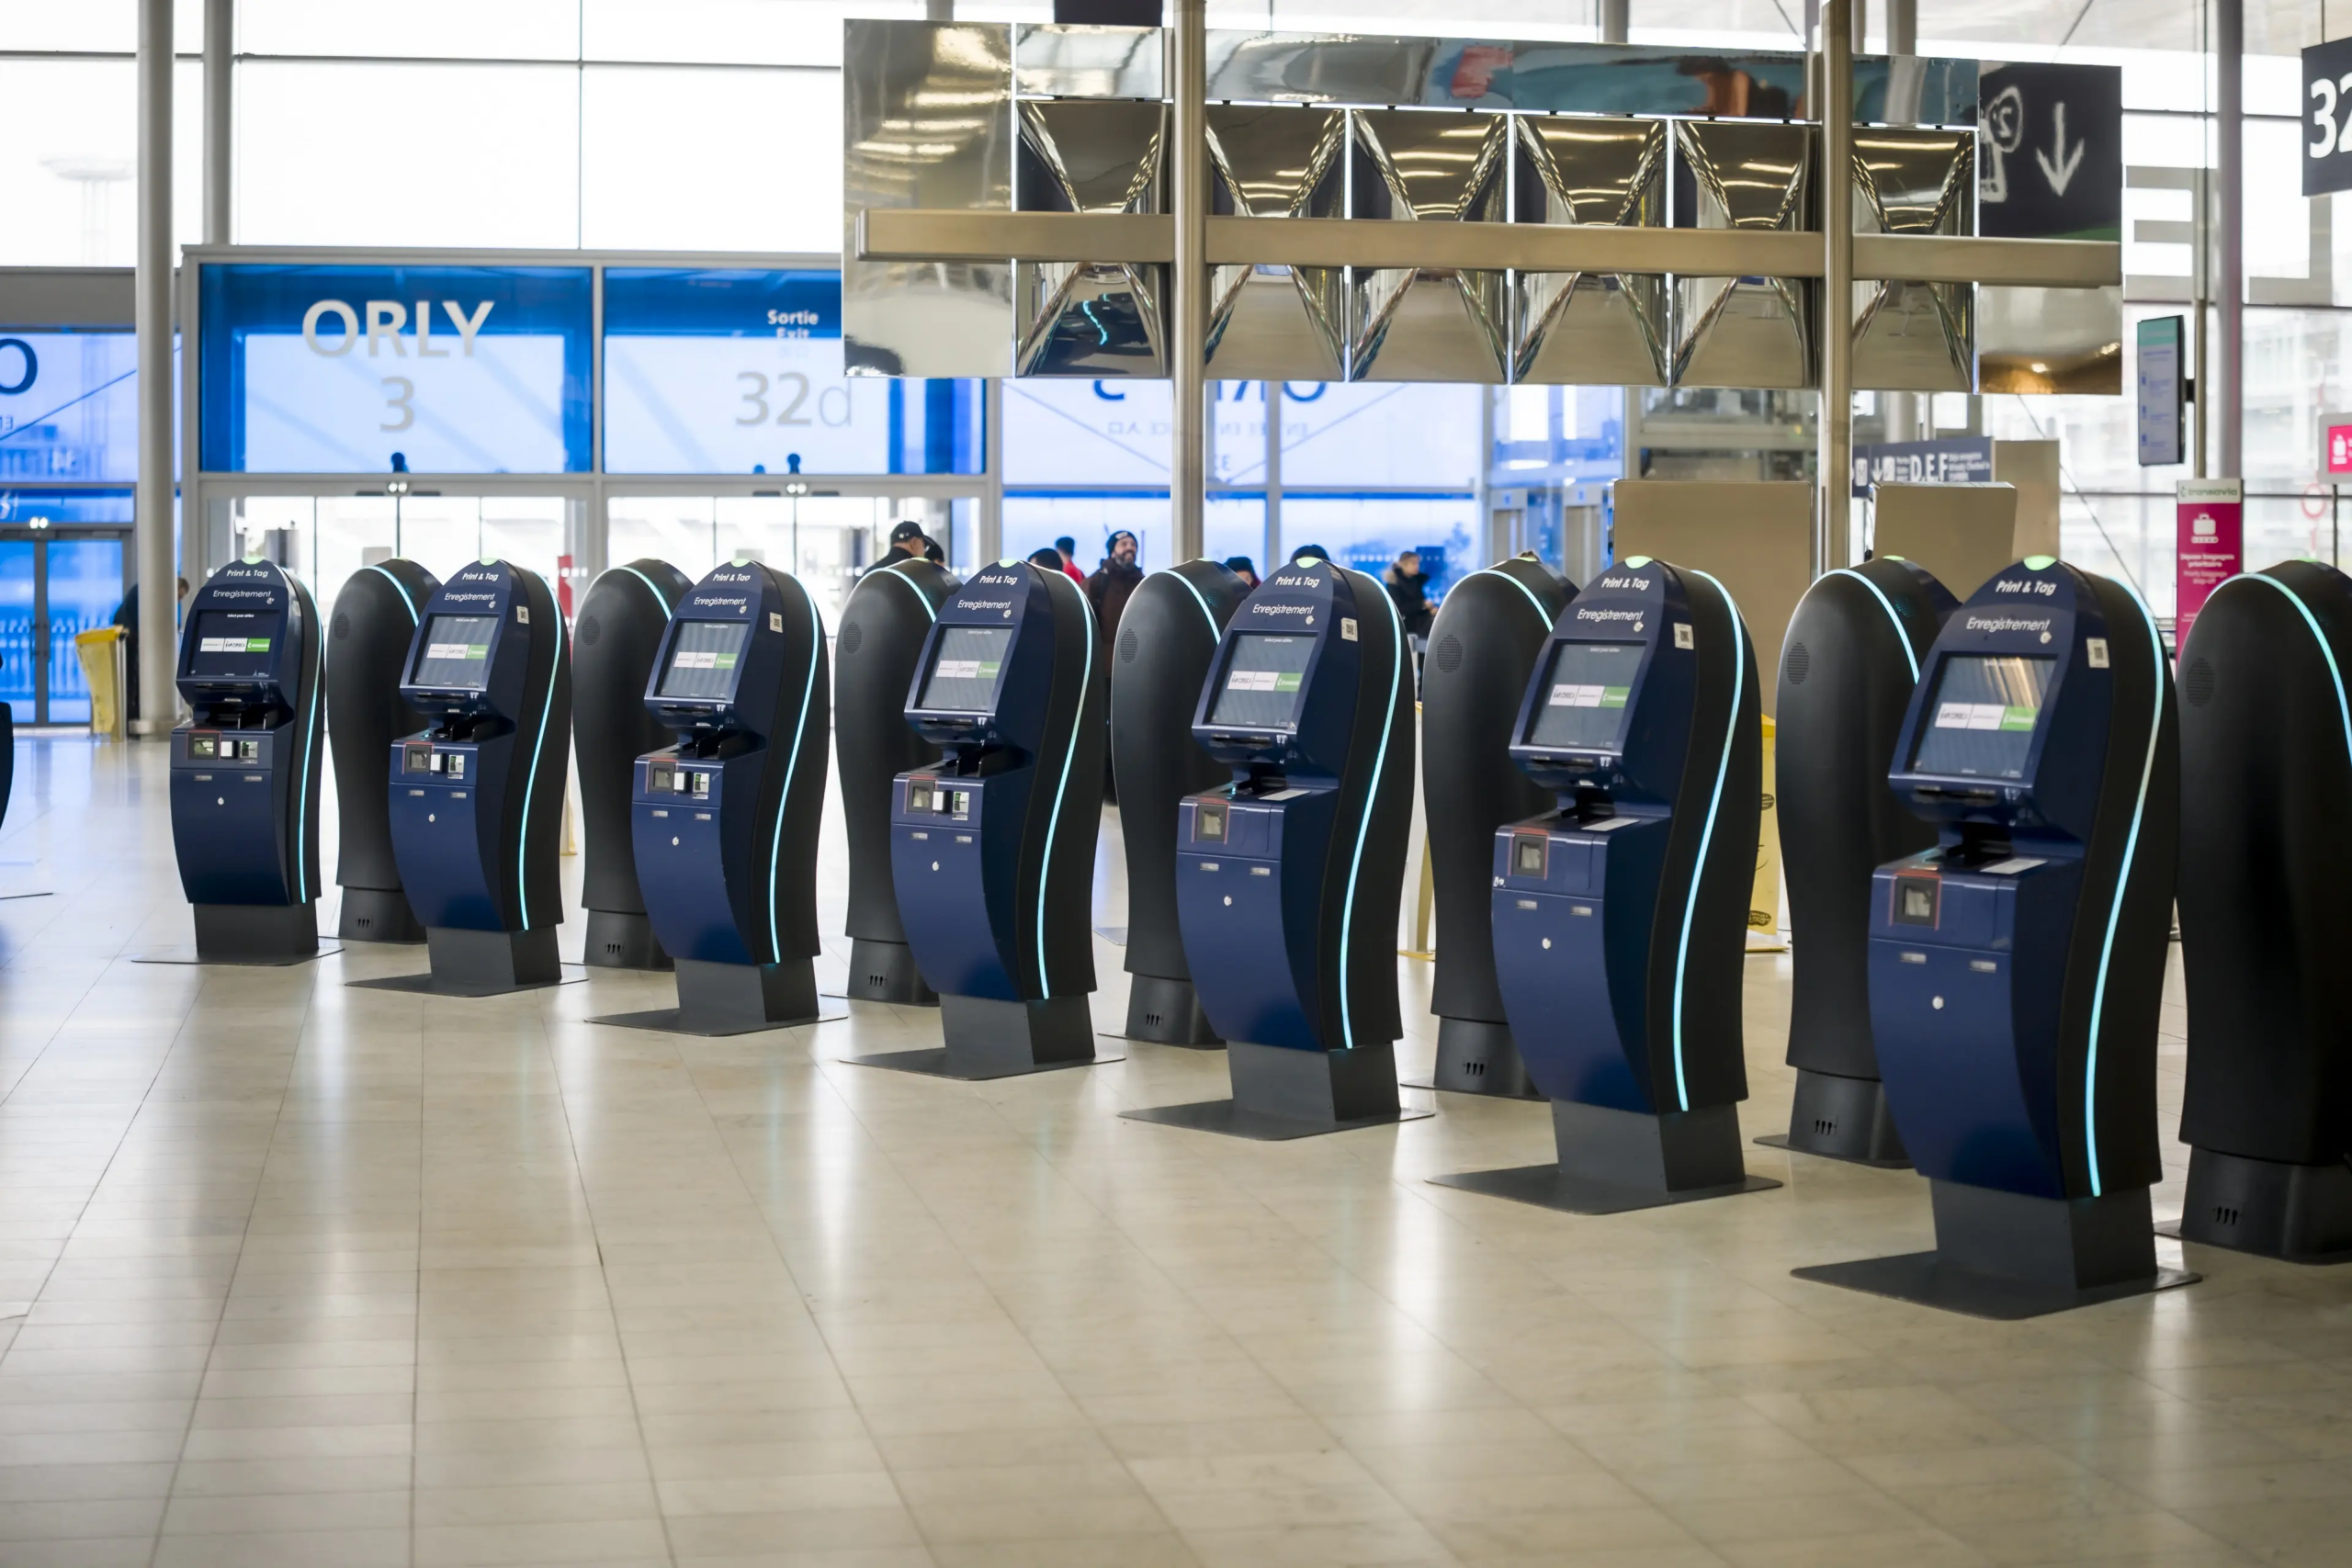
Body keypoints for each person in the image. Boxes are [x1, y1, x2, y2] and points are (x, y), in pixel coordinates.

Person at [114, 574, 189, 723]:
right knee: (131, 678)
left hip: (127, 632)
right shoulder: (155, 592)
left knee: (133, 677)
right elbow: (157, 618)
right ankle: (129, 716)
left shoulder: (150, 589)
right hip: (126, 635)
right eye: (179, 597)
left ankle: (131, 716)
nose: (178, 601)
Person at [863, 521, 927, 577]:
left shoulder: (870, 573)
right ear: (914, 542)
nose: (924, 550)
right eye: (924, 544)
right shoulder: (919, 572)